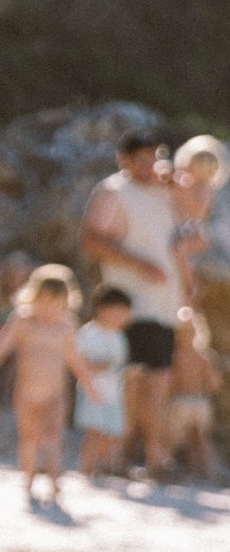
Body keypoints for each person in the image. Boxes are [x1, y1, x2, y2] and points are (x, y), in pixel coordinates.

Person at [81, 130, 181, 474]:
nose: (150, 165)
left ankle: (151, 457)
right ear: (124, 159)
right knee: (136, 382)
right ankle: (125, 457)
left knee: (157, 382)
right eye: (142, 158)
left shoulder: (163, 188)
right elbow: (92, 240)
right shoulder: (114, 191)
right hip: (131, 304)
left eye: (156, 156)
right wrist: (139, 263)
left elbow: (200, 203)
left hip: (166, 303)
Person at [0, 263, 96, 505]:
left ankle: (56, 481)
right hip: (26, 393)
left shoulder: (67, 326)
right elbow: (1, 346)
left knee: (54, 437)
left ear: (66, 302)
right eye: (42, 301)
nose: (48, 309)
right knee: (30, 439)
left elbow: (75, 359)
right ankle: (29, 480)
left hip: (55, 394)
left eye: (55, 303)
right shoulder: (23, 321)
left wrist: (91, 387)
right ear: (33, 297)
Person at [73, 288, 132, 478]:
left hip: (114, 392)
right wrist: (99, 366)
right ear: (102, 309)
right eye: (117, 312)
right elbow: (77, 360)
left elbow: (120, 365)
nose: (121, 318)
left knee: (110, 433)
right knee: (95, 432)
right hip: (93, 390)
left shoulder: (119, 336)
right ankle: (87, 467)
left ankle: (104, 467)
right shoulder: (89, 333)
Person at [171, 133, 227, 302]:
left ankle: (191, 288)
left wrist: (186, 187)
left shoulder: (205, 189)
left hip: (194, 230)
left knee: (180, 251)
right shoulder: (191, 183)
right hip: (187, 228)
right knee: (180, 253)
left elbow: (198, 211)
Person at [166, 304, 221, 476]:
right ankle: (202, 470)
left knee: (174, 438)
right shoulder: (204, 356)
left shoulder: (174, 355)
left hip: (182, 401)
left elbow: (171, 381)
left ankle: (171, 465)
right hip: (200, 402)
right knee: (199, 438)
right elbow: (214, 383)